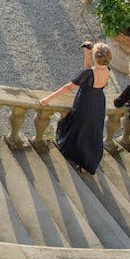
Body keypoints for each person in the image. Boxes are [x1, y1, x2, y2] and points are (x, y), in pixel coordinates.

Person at [40, 41, 111, 175]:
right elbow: (89, 72)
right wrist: (87, 53)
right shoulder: (107, 70)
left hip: (85, 103)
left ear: (95, 57)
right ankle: (88, 162)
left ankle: (77, 156)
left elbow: (69, 87)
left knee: (79, 130)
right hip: (98, 103)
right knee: (92, 132)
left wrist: (49, 98)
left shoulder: (89, 74)